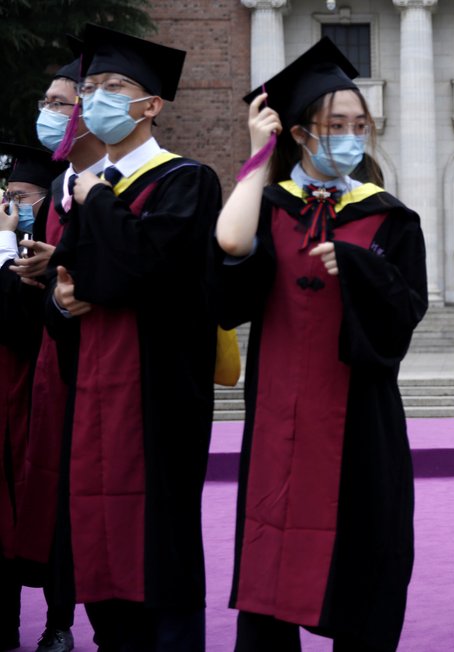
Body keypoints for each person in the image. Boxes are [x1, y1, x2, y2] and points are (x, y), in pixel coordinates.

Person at [214, 36, 427, 652]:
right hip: (279, 425)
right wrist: (258, 158)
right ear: (303, 133)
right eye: (337, 126)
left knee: (363, 568)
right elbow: (228, 264)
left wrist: (359, 268)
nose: (352, 137)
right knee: (271, 571)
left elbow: (402, 320)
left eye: (361, 126)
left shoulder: (389, 218)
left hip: (361, 426)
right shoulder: (272, 206)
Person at [45, 23, 222, 651]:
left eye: (112, 87)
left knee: (158, 542)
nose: (94, 99)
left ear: (151, 105)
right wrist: (63, 300)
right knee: (97, 530)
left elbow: (149, 273)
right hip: (93, 392)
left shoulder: (186, 182)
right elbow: (72, 281)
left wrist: (96, 205)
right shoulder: (87, 191)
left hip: (158, 397)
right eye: (89, 88)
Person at [9, 48, 107, 652]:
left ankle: (93, 618)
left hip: (100, 370)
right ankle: (57, 617)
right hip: (48, 370)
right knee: (49, 498)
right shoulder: (50, 196)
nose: (47, 113)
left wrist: (65, 268)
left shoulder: (111, 191)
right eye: (44, 103)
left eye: (58, 104)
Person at [0, 144, 65, 652]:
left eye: (19, 197)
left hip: (35, 402)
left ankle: (57, 623)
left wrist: (8, 247)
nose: (11, 205)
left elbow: (19, 326)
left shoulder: (47, 251)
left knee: (46, 511)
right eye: (7, 197)